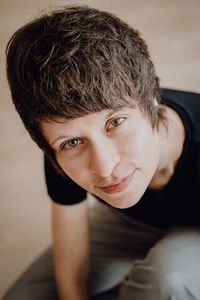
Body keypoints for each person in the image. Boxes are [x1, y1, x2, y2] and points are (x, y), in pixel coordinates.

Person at [3, 5, 200, 300]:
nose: (105, 166)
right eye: (72, 143)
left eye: (116, 123)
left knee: (167, 277)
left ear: (152, 101)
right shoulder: (63, 143)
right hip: (130, 222)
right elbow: (72, 265)